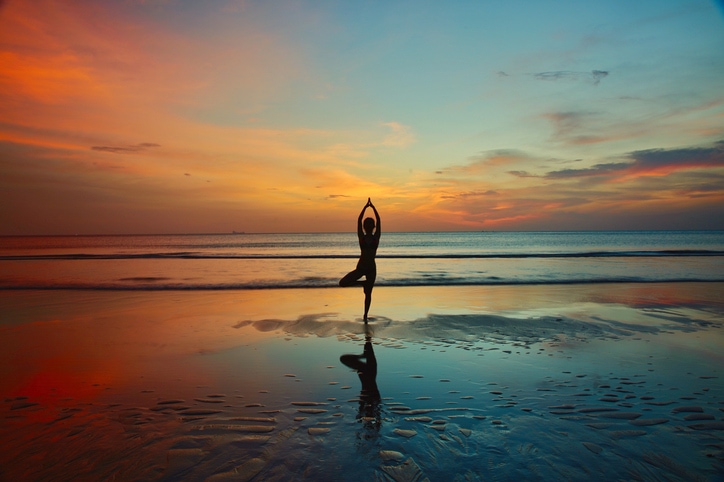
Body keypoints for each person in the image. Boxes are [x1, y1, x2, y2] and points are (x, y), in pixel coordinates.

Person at [339, 198, 380, 322]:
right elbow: (358, 220)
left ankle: (365, 316)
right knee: (342, 283)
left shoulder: (376, 237)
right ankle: (362, 283)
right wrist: (365, 207)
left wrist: (372, 208)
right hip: (361, 267)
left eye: (369, 224)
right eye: (366, 224)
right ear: (364, 226)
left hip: (371, 269)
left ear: (372, 226)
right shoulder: (361, 237)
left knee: (368, 294)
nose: (367, 226)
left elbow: (379, 220)